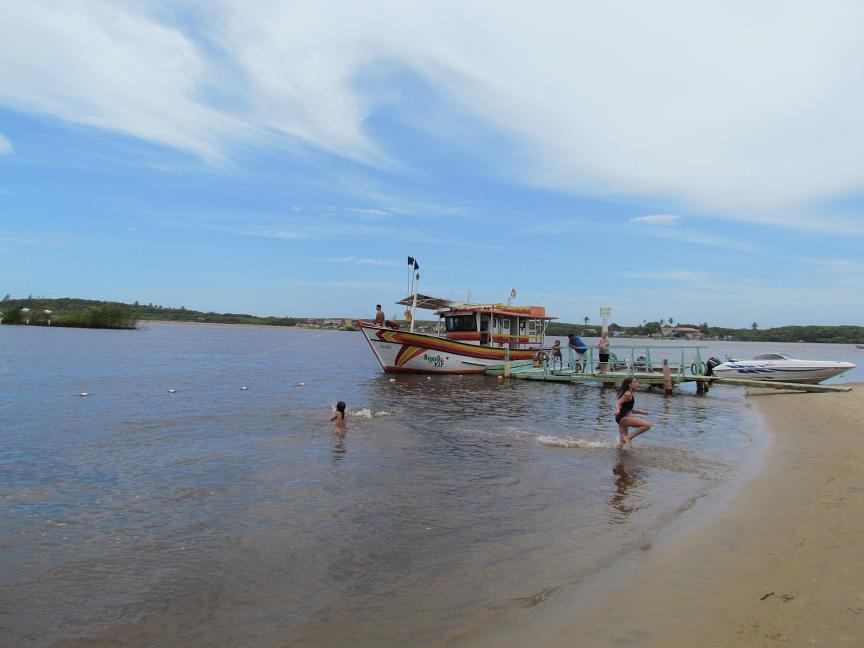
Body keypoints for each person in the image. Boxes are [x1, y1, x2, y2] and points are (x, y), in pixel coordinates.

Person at [614, 377, 651, 449]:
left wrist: (642, 412)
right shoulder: (628, 394)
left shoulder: (629, 394)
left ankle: (619, 456)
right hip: (623, 418)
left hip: (620, 418)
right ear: (629, 385)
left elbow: (629, 409)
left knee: (621, 442)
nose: (637, 384)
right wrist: (617, 410)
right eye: (635, 382)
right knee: (648, 425)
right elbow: (618, 403)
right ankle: (629, 438)